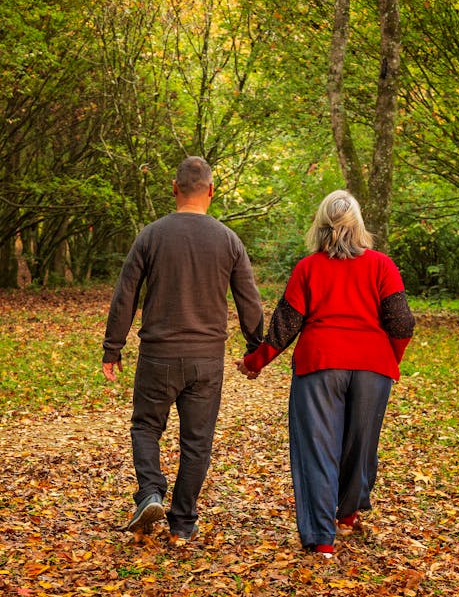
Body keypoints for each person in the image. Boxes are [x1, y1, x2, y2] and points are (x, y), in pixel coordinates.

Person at [236, 189, 415, 558]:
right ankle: (347, 514)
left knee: (318, 449)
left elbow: (286, 324)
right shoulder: (382, 265)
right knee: (359, 445)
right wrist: (386, 359)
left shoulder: (309, 267)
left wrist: (255, 362)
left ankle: (322, 539)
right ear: (358, 224)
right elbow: (402, 323)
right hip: (373, 367)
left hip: (319, 365)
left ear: (321, 225)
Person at [102, 156, 263, 545]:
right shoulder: (228, 240)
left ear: (174, 188)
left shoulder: (151, 235)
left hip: (158, 353)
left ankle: (150, 493)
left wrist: (113, 347)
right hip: (206, 358)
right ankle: (182, 524)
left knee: (145, 426)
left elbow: (126, 294)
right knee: (197, 440)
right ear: (211, 190)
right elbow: (249, 301)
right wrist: (257, 349)